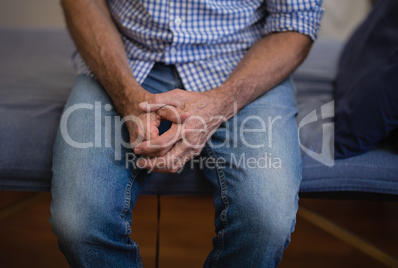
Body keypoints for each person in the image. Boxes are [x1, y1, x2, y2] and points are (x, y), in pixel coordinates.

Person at [50, 0, 324, 267]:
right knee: (78, 222)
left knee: (266, 220)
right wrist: (126, 96)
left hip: (245, 65)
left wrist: (221, 102)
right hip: (122, 57)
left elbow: (296, 21)